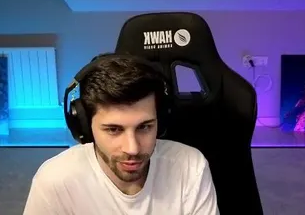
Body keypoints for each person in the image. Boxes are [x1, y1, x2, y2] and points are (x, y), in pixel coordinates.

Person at [22, 55, 219, 214]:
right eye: (113, 130)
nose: (132, 148)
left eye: (144, 127)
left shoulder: (190, 166)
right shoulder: (56, 181)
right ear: (86, 127)